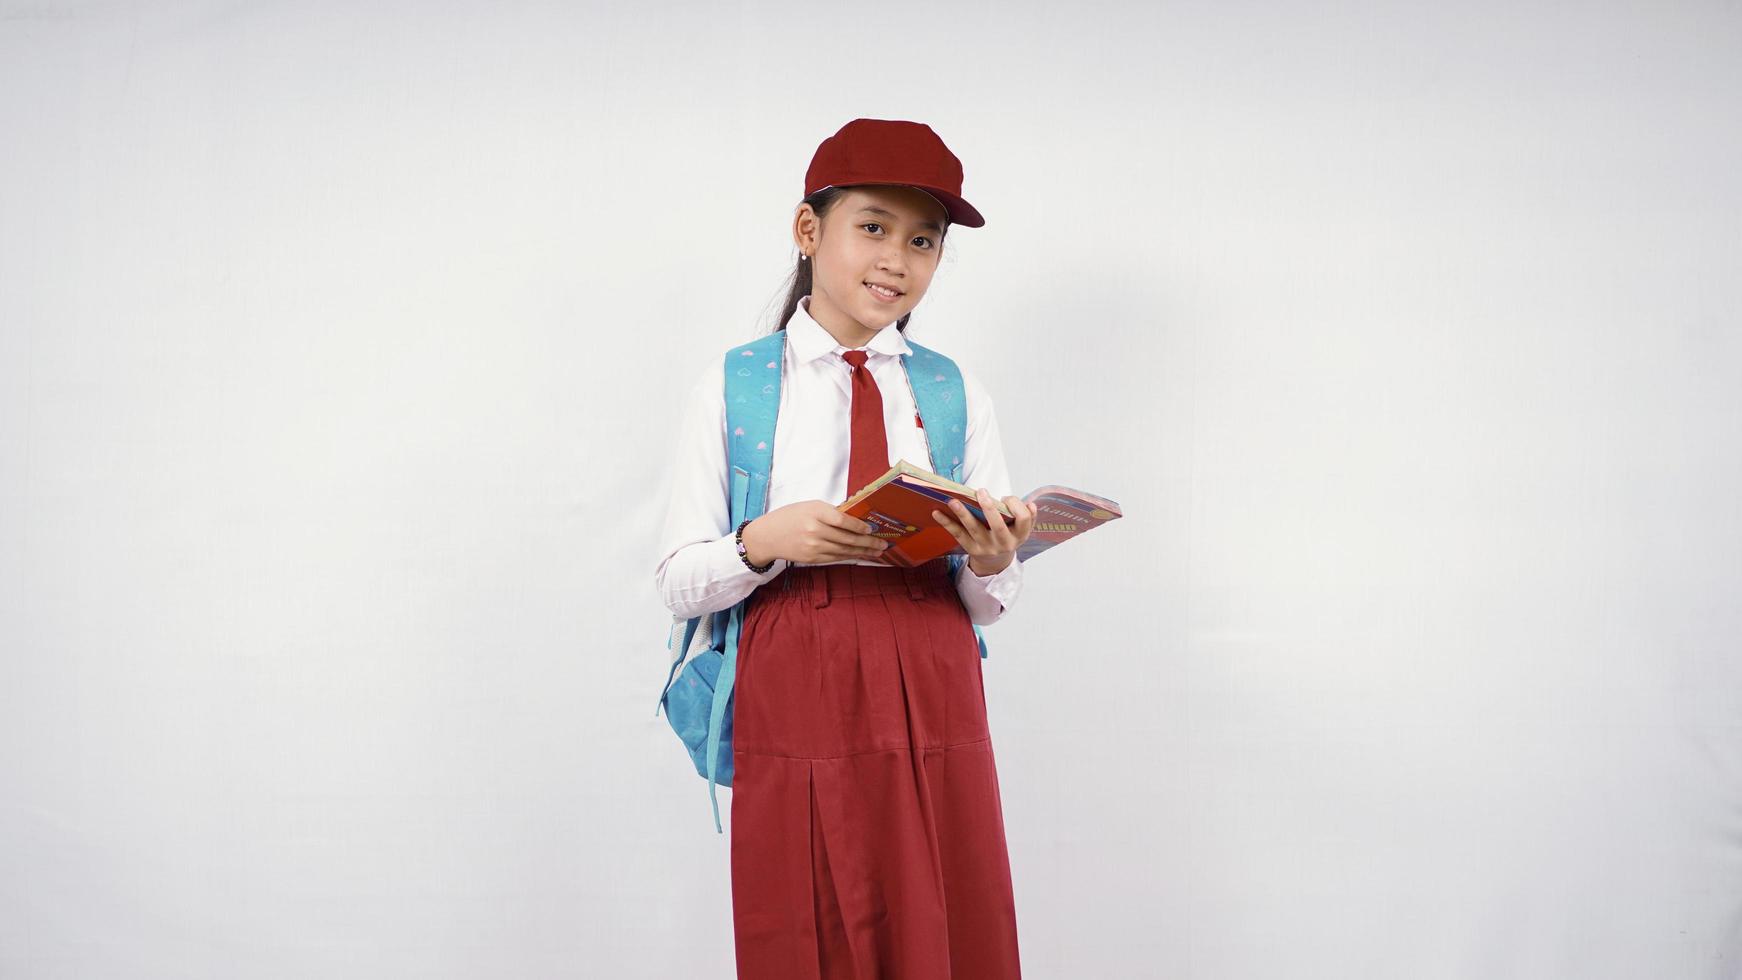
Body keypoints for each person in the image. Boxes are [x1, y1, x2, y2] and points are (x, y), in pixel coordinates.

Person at [654, 117, 1035, 980]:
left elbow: (991, 603)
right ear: (808, 230)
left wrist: (989, 558)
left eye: (923, 241)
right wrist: (763, 541)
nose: (897, 259)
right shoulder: (734, 384)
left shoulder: (954, 389)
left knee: (949, 892)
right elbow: (678, 580)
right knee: (806, 902)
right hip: (795, 669)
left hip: (932, 671)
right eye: (872, 227)